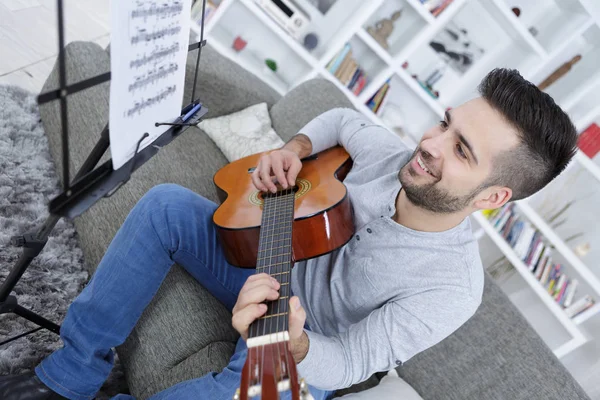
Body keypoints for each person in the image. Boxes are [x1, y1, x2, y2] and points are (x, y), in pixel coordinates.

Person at [0, 68, 578, 400]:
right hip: (265, 268)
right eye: (446, 122)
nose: (430, 142)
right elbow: (338, 120)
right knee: (165, 206)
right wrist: (293, 148)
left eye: (461, 149)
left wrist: (295, 344)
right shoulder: (392, 157)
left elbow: (353, 360)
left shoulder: (452, 288)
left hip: (308, 348)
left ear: (493, 196)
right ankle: (70, 373)